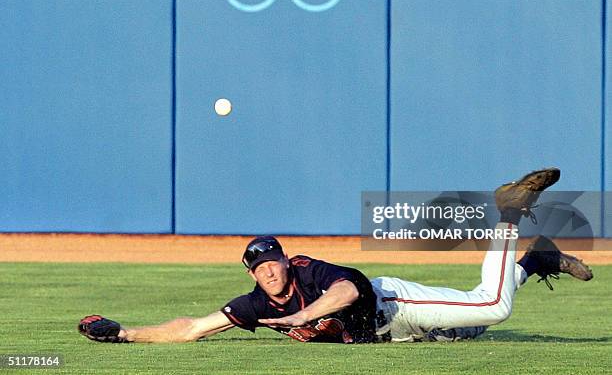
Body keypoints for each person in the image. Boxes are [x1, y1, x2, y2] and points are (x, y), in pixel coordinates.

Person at [78, 168, 593, 344]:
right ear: (254, 276)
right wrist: (125, 333)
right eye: (259, 267)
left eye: (273, 260)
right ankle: (534, 263)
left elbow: (349, 290)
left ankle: (507, 214)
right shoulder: (256, 304)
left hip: (395, 304)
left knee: (492, 307)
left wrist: (300, 315)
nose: (270, 270)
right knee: (480, 327)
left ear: (284, 258)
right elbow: (192, 327)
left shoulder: (306, 272)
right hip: (395, 336)